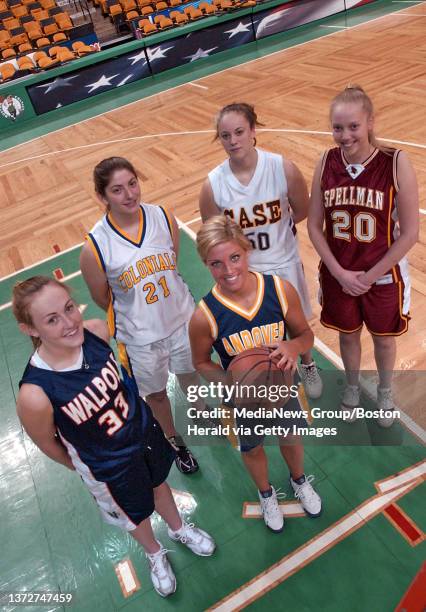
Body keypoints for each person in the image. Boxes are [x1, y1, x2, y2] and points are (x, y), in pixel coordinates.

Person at [13, 276, 215, 598]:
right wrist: (90, 466)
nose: (68, 323)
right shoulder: (35, 394)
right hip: (108, 468)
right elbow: (49, 445)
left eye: (68, 308)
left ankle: (179, 530)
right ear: (31, 329)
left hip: (143, 434)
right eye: (52, 320)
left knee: (160, 485)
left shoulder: (95, 330)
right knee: (133, 514)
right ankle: (154, 553)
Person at [189, 216, 322, 533]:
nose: (229, 270)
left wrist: (293, 348)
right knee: (252, 448)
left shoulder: (279, 289)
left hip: (283, 387)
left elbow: (306, 335)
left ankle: (299, 480)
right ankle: (266, 494)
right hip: (241, 400)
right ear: (206, 265)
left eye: (234, 257)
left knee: (291, 436)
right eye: (216, 264)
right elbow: (201, 362)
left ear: (246, 251)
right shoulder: (204, 315)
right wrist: (233, 382)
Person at [308, 85, 419, 428]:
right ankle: (353, 387)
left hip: (383, 274)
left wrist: (368, 276)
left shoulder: (395, 162)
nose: (344, 135)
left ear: (370, 122)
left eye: (353, 126)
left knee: (384, 339)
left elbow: (411, 233)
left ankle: (385, 390)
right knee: (347, 334)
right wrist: (341, 273)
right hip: (339, 272)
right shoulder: (326, 161)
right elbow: (314, 226)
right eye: (337, 127)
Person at [80, 156, 199, 474]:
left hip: (182, 320)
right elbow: (102, 298)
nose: (129, 194)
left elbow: (172, 261)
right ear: (102, 197)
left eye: (132, 184)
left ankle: (200, 410)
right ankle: (175, 440)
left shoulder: (162, 216)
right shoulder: (95, 247)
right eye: (117, 190)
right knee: (157, 393)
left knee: (190, 375)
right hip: (140, 339)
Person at [199, 102, 323, 400]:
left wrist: (278, 230)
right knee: (259, 333)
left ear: (253, 131)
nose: (233, 141)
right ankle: (264, 371)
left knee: (297, 325)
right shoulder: (213, 185)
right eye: (225, 136)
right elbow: (213, 236)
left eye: (239, 132)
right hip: (244, 273)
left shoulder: (282, 168)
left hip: (283, 263)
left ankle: (308, 364)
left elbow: (303, 208)